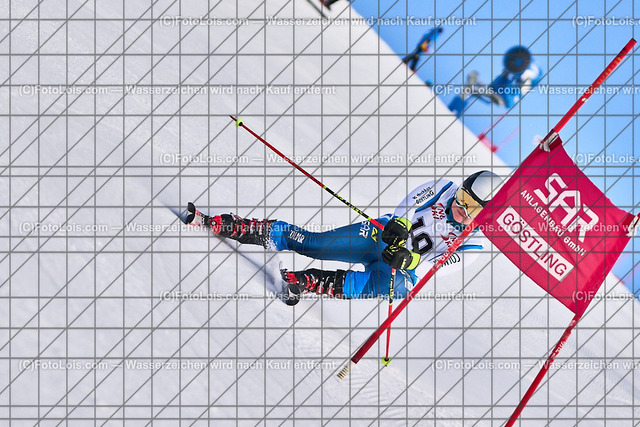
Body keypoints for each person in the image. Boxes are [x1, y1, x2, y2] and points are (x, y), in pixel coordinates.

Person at [186, 171, 502, 302]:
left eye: (472, 207)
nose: (461, 207)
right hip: (381, 236)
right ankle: (238, 227)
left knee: (396, 289)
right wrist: (400, 223)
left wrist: (409, 259)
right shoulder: (445, 188)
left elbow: (437, 266)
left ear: (485, 213)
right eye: (463, 196)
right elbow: (410, 202)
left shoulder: (474, 244)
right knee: (315, 245)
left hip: (400, 267)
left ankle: (306, 282)